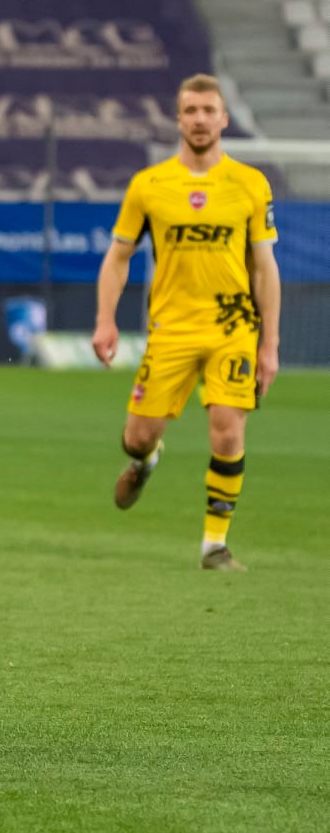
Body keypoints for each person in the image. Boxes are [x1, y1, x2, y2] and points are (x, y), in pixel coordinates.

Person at [92, 73, 281, 571]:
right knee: (138, 436)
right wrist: (105, 321)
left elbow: (264, 267)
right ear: (178, 119)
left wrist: (270, 343)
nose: (199, 119)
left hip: (232, 328)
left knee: (226, 431)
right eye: (190, 110)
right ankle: (145, 460)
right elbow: (118, 257)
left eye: (208, 110)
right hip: (171, 330)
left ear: (224, 117)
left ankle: (214, 545)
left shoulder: (249, 184)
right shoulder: (150, 185)